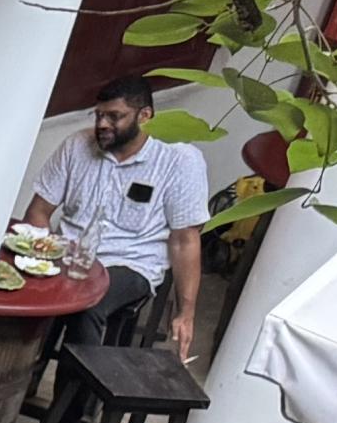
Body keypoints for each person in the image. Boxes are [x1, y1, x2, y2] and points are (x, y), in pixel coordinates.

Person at [26, 73, 207, 358]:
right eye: (98, 115)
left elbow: (185, 240)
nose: (102, 125)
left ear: (144, 115)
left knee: (88, 303)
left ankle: (72, 402)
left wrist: (186, 312)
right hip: (67, 254)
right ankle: (17, 383)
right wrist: (41, 255)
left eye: (114, 116)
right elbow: (38, 211)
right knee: (21, 288)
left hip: (130, 262)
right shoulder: (76, 146)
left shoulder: (179, 160)